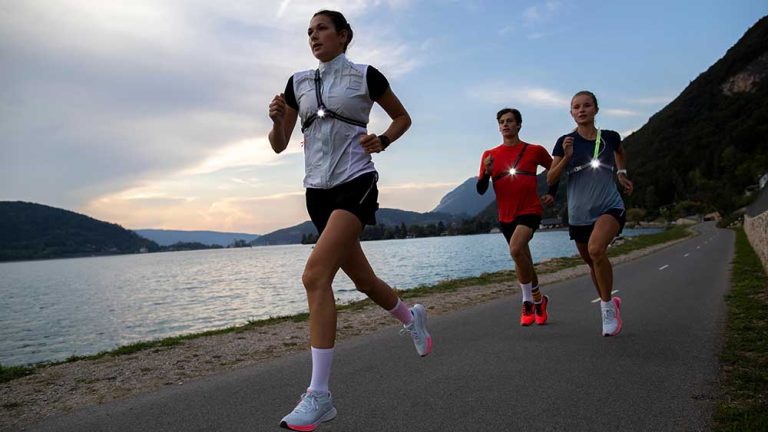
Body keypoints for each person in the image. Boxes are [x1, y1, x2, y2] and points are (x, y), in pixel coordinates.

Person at [268, 10, 431, 431]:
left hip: (356, 183)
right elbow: (278, 144)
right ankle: (413, 320)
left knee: (314, 276)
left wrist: (385, 139)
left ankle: (319, 395)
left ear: (344, 36)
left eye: (321, 29)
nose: (313, 36)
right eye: (309, 31)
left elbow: (403, 117)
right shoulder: (297, 83)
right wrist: (274, 121)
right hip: (316, 194)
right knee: (362, 280)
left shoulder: (365, 75)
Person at [547, 90, 634, 337]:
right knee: (592, 262)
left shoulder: (609, 137)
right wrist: (565, 159)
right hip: (578, 214)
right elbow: (551, 177)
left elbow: (620, 152)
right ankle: (610, 302)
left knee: (597, 251)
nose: (581, 110)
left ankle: (606, 308)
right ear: (571, 112)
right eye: (576, 107)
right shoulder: (565, 142)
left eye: (586, 105)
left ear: (596, 109)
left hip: (609, 206)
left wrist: (621, 173)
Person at [477, 108, 558, 327]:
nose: (505, 125)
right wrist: (486, 172)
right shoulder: (489, 155)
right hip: (506, 216)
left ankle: (527, 301)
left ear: (519, 125)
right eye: (502, 122)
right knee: (523, 258)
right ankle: (540, 300)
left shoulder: (534, 150)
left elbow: (554, 170)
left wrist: (551, 192)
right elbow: (481, 190)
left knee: (515, 250)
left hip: (530, 210)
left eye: (510, 121)